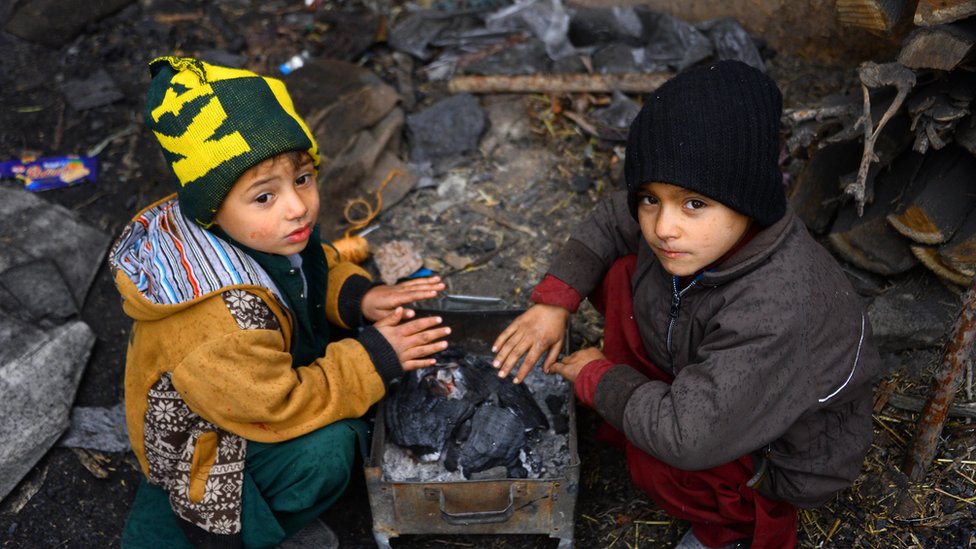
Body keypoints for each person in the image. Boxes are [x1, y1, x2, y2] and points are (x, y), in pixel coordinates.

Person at [491, 60, 881, 549]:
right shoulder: (694, 236)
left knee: (659, 463)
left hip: (778, 454)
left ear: (748, 199)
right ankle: (641, 405)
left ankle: (733, 530)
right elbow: (615, 215)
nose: (663, 227)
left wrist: (598, 377)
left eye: (693, 204)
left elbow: (690, 438)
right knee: (621, 270)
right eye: (651, 198)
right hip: (713, 375)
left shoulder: (776, 306)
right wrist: (554, 302)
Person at [110, 56, 451, 548]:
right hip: (212, 441)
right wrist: (374, 359)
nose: (296, 206)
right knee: (335, 449)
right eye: (264, 197)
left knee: (350, 348)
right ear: (213, 210)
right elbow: (276, 404)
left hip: (248, 383)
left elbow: (311, 269)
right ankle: (261, 524)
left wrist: (361, 297)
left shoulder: (265, 234)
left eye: (303, 178)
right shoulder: (217, 325)